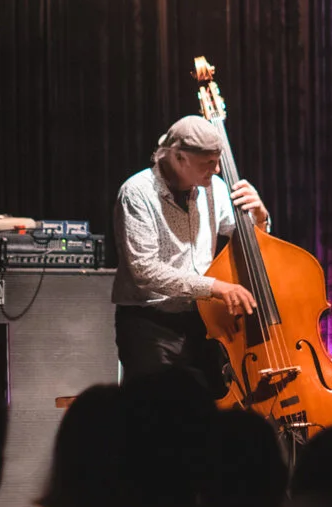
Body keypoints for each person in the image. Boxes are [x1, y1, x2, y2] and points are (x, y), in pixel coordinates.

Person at [111, 116, 271, 397]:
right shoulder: (136, 193)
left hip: (203, 323)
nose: (217, 169)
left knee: (210, 408)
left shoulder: (216, 188)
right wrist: (215, 287)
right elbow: (145, 270)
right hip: (151, 324)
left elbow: (249, 242)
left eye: (218, 160)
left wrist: (260, 216)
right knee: (156, 410)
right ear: (179, 157)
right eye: (208, 162)